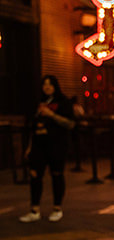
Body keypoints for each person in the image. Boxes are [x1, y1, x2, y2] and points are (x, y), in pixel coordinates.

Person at [19, 74, 76, 223]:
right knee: (35, 176)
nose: (47, 87)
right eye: (44, 84)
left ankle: (57, 208)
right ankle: (34, 210)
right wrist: (29, 147)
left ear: (55, 86)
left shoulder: (63, 102)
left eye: (50, 84)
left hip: (57, 145)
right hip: (38, 146)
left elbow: (70, 124)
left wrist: (52, 115)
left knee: (57, 175)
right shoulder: (38, 102)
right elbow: (31, 127)